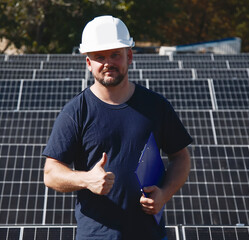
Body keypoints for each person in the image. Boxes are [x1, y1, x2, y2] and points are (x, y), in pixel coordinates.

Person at [43, 15, 192, 240]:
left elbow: (181, 158)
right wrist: (86, 179)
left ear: (129, 56)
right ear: (88, 63)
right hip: (96, 236)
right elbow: (51, 173)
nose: (107, 63)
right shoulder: (75, 112)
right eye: (99, 56)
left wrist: (164, 194)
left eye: (115, 55)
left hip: (150, 234)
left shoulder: (156, 106)